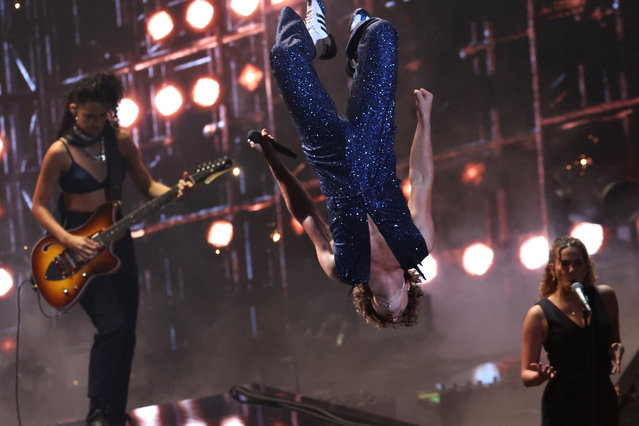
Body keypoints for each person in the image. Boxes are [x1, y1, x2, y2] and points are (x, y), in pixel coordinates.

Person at [249, 1, 434, 328]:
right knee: (382, 34)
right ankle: (356, 46)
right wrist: (425, 120)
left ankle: (316, 38)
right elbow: (420, 179)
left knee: (285, 58)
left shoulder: (342, 268)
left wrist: (271, 159)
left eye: (383, 317)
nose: (392, 313)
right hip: (373, 139)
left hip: (328, 153)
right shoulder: (417, 246)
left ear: (369, 305)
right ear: (410, 289)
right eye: (401, 312)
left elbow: (305, 212)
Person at [31, 70, 192, 425]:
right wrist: (70, 239)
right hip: (79, 252)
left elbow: (147, 186)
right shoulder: (59, 152)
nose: (92, 122)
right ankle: (96, 410)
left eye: (99, 116)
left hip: (120, 249)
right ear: (74, 110)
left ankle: (114, 413)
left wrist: (175, 191)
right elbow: (39, 205)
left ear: (109, 112)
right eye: (86, 115)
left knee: (128, 335)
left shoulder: (119, 142)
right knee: (112, 328)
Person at [521, 236, 623, 425]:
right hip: (564, 404)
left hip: (601, 396)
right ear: (553, 269)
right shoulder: (539, 314)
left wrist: (616, 350)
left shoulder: (606, 297)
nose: (571, 270)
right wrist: (540, 376)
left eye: (577, 263)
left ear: (587, 266)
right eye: (565, 264)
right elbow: (526, 374)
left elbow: (614, 342)